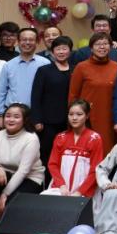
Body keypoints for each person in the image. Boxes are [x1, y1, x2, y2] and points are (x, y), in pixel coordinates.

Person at [0, 104, 45, 220]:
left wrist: (5, 194)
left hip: (29, 178)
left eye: (16, 117)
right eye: (8, 116)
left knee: (10, 207)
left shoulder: (31, 138)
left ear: (24, 120)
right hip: (6, 175)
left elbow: (23, 171)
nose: (11, 119)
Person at [68, 33, 117, 154]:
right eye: (98, 44)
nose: (102, 47)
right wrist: (74, 118)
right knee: (87, 151)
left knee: (107, 150)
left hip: (109, 117)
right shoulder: (81, 67)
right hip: (87, 117)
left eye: (105, 44)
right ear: (91, 48)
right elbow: (73, 95)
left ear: (110, 47)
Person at [43, 100, 104, 197]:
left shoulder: (95, 138)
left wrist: (80, 191)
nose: (74, 118)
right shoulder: (60, 137)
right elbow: (53, 164)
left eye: (79, 114)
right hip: (61, 188)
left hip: (85, 190)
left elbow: (95, 169)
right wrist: (62, 185)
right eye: (71, 114)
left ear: (87, 116)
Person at [0, 28, 50, 125]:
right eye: (24, 39)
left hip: (37, 115)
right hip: (12, 116)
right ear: (18, 42)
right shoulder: (8, 65)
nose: (27, 42)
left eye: (31, 40)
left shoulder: (45, 63)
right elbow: (1, 92)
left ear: (37, 42)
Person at [31, 36, 74, 168]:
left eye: (64, 48)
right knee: (47, 153)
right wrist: (37, 120)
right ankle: (47, 179)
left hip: (70, 120)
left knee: (67, 153)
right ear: (52, 51)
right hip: (48, 121)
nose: (61, 52)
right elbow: (36, 96)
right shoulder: (44, 70)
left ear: (70, 51)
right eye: (58, 49)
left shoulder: (76, 69)